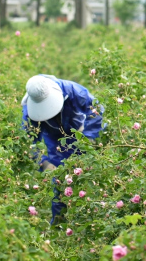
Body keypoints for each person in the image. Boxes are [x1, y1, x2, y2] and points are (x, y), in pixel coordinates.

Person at [21, 74, 105, 224]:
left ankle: (92, 220)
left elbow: (97, 110)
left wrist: (89, 138)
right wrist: (44, 163)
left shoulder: (72, 90)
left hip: (80, 135)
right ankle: (60, 225)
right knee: (60, 184)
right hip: (56, 143)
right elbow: (27, 144)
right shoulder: (30, 112)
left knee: (90, 177)